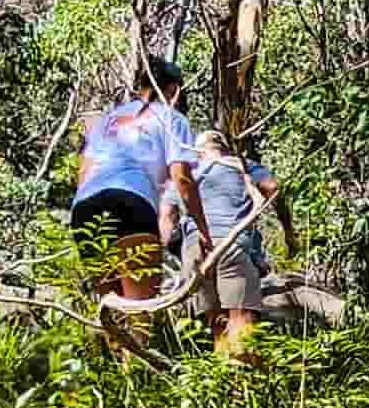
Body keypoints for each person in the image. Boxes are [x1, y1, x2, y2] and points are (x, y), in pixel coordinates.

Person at [69, 56, 196, 352]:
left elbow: (83, 172)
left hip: (86, 206)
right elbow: (183, 179)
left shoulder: (106, 121)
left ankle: (113, 384)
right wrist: (204, 230)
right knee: (139, 312)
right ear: (174, 89)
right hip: (131, 203)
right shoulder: (171, 118)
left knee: (110, 311)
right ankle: (136, 385)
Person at [167, 125, 291, 360]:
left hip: (196, 247)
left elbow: (166, 214)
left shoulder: (187, 172)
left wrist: (170, 250)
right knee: (241, 317)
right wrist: (289, 233)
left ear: (198, 151)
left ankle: (223, 382)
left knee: (217, 321)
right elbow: (273, 189)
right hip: (232, 242)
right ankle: (243, 384)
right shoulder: (243, 165)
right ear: (224, 147)